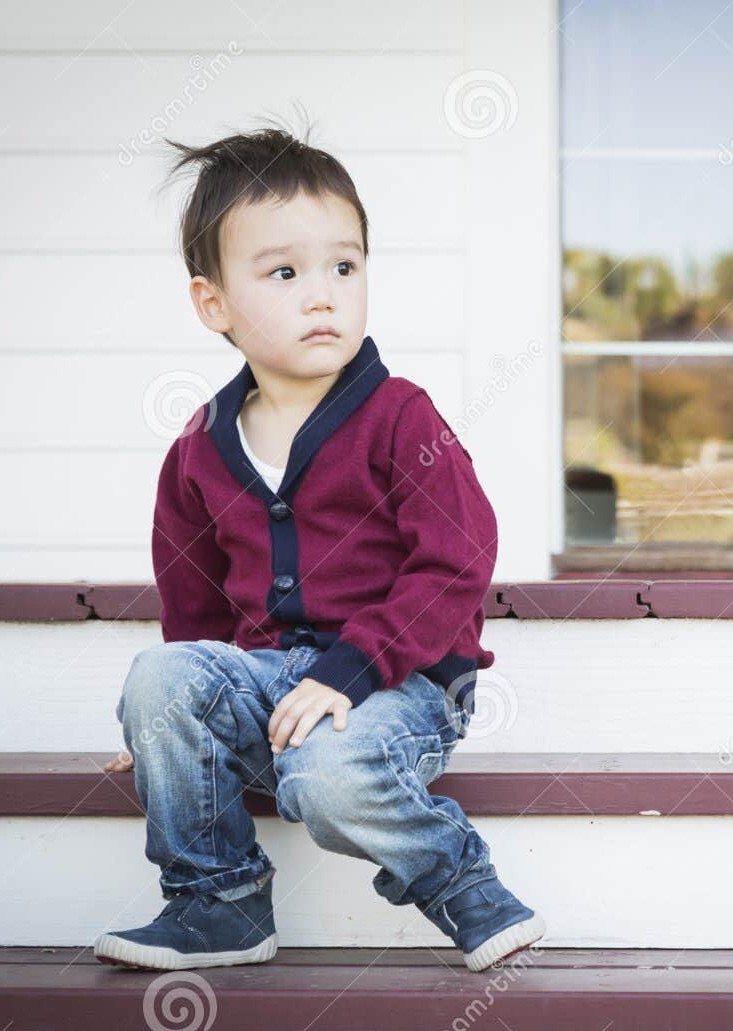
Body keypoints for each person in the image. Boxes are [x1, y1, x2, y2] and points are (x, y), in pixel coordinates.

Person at [93, 125, 543, 973]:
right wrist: (168, 729)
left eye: (346, 266)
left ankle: (462, 880)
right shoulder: (198, 447)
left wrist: (352, 666)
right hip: (273, 687)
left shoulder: (401, 417)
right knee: (159, 679)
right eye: (285, 273)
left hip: (400, 682)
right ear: (213, 303)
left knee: (328, 774)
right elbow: (194, 613)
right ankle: (217, 905)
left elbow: (457, 558)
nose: (324, 295)